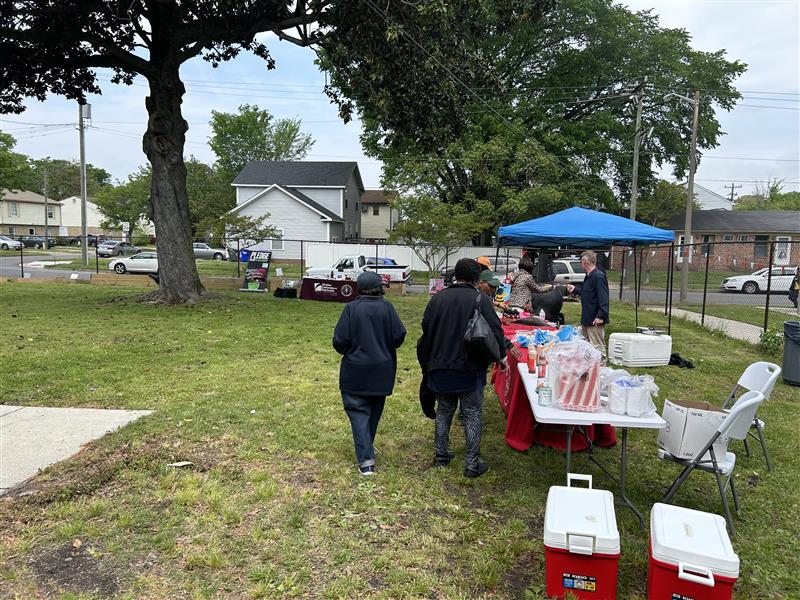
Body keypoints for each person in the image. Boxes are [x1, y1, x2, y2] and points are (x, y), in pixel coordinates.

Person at [417, 258, 506, 478]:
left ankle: (441, 456)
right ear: (477, 278)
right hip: (470, 368)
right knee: (472, 414)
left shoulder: (438, 298)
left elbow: (426, 327)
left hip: (440, 365)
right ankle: (472, 464)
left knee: (444, 411)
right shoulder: (480, 299)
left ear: (456, 275)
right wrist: (502, 355)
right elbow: (496, 330)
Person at [333, 271, 407, 476]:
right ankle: (366, 450)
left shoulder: (351, 309)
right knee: (373, 412)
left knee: (358, 413)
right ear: (379, 287)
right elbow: (399, 335)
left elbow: (340, 341)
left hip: (355, 371)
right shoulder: (387, 308)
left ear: (359, 288)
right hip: (382, 371)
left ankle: (366, 461)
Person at [568, 250, 609, 362]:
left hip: (595, 318)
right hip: (587, 317)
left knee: (597, 346)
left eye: (581, 261)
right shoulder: (589, 276)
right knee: (585, 345)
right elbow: (587, 293)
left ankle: (601, 368)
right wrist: (575, 289)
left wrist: (600, 316)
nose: (581, 263)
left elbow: (604, 298)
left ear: (585, 262)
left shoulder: (598, 276)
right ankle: (589, 367)